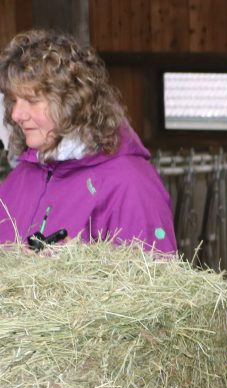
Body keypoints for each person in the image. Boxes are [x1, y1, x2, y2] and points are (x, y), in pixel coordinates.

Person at [0, 30, 175, 254]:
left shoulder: (130, 185)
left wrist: (67, 271)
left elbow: (154, 274)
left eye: (32, 100)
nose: (16, 115)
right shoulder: (21, 177)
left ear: (72, 103)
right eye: (14, 100)